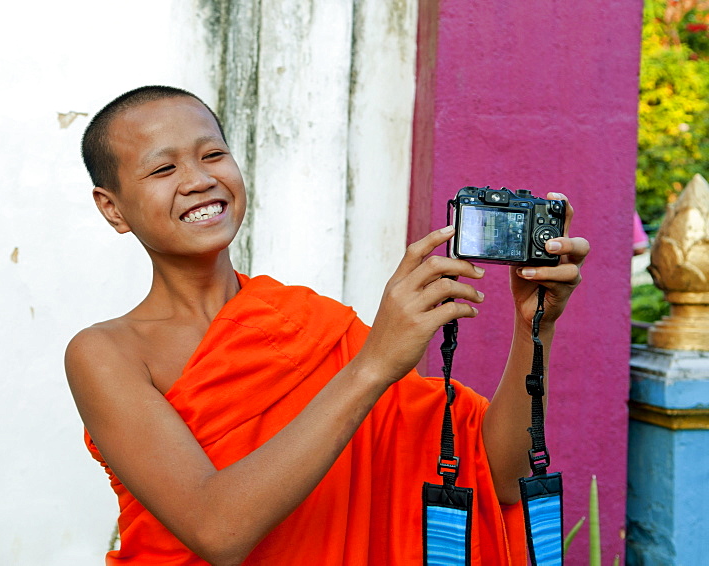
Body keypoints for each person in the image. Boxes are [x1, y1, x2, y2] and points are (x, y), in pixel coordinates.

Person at [65, 85, 589, 565]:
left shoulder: (307, 328)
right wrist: (373, 367)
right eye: (162, 170)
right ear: (113, 209)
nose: (200, 180)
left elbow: (495, 474)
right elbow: (217, 530)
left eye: (213, 154)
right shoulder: (107, 353)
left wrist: (534, 329)